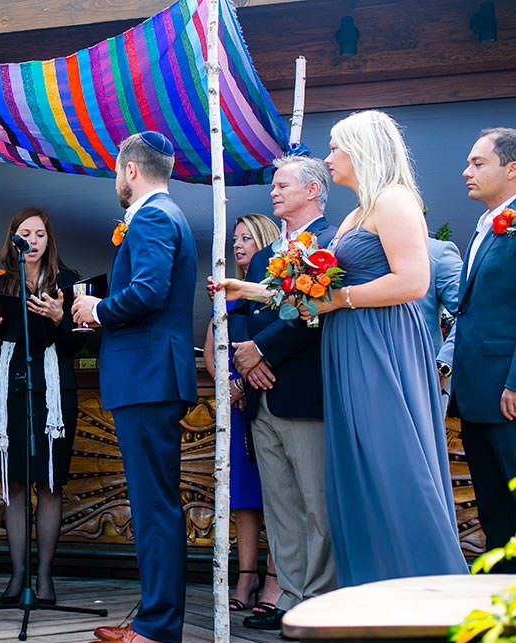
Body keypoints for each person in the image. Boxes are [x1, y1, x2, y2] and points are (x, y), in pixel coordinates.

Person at [218, 110, 467, 586]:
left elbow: (414, 282)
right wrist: (246, 290)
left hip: (381, 346)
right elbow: (312, 293)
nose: (329, 157)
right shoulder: (358, 211)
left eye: (336, 147)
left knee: (390, 466)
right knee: (356, 476)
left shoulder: (394, 201)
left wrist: (339, 301)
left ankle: (423, 594)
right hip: (349, 347)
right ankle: (369, 597)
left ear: (364, 149)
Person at [72, 131, 197, 643]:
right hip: (149, 376)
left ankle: (160, 630)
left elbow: (148, 291)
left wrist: (95, 309)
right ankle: (152, 617)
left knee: (154, 507)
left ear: (130, 170)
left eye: (115, 172)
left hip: (147, 377)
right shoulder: (166, 215)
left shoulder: (151, 217)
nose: (115, 182)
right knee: (153, 505)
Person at [230, 155, 337, 632]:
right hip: (263, 396)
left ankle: (318, 601)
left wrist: (262, 355)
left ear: (313, 191)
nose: (273, 192)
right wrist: (250, 363)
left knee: (316, 505)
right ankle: (289, 596)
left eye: (282, 185)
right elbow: (264, 313)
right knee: (281, 505)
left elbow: (315, 316)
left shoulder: (332, 242)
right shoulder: (277, 250)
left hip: (302, 393)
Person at [0, 207, 84, 606]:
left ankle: (44, 577)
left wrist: (61, 317)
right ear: (13, 238)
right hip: (12, 392)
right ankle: (17, 574)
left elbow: (81, 344)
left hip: (56, 392)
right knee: (17, 484)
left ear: (49, 240)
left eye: (40, 234)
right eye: (26, 233)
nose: (34, 241)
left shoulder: (67, 281)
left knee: (51, 482)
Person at [201, 213, 283, 615]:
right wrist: (226, 385)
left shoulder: (272, 290)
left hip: (266, 393)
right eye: (235, 238)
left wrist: (246, 383)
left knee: (277, 493)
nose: (238, 245)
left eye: (247, 238)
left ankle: (277, 577)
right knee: (244, 496)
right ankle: (246, 575)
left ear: (265, 241)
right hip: (232, 402)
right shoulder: (227, 293)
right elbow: (211, 347)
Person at [452, 127, 516, 572]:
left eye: (478, 163)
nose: (466, 172)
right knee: (495, 514)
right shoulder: (483, 229)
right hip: (477, 394)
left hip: (508, 394)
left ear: (512, 169)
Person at [415, 235, 463, 409]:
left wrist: (444, 364)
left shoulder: (437, 253)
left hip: (425, 378)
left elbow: (468, 313)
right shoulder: (357, 250)